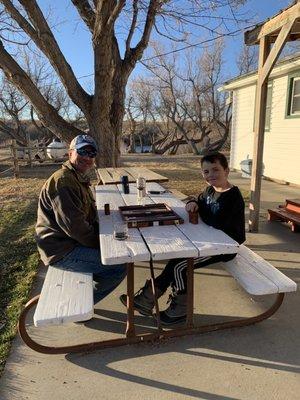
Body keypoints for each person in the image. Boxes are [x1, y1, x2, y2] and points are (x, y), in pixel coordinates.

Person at [120, 152, 245, 325]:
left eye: (215, 170)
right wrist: (192, 202)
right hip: (208, 240)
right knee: (176, 259)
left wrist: (200, 210)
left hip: (225, 247)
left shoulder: (233, 197)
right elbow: (199, 200)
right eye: (206, 172)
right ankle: (146, 299)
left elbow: (216, 221)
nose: (211, 175)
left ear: (227, 170)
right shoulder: (210, 190)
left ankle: (180, 309)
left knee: (181, 267)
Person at [36, 134, 126, 306]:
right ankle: (78, 306)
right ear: (70, 154)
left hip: (69, 243)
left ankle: (84, 293)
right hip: (61, 251)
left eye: (92, 153)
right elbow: (75, 228)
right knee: (118, 265)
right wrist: (105, 245)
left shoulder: (76, 177)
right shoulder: (63, 181)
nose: (87, 157)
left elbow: (87, 217)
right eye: (82, 151)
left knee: (115, 252)